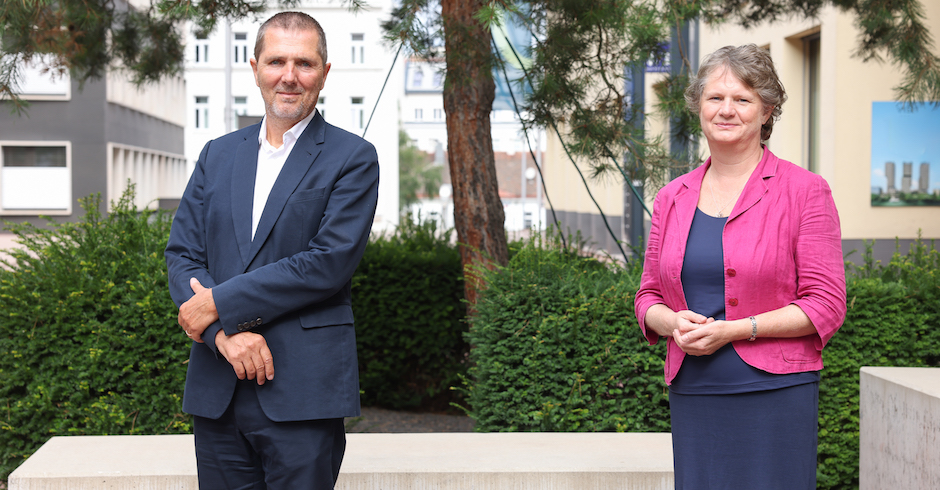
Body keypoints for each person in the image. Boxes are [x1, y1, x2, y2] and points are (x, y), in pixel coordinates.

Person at [165, 11, 379, 489]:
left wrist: (219, 305)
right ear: (255, 66)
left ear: (324, 73)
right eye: (276, 61)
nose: (289, 75)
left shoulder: (353, 158)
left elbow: (327, 263)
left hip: (302, 391)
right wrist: (223, 335)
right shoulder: (217, 154)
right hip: (217, 387)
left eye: (303, 63)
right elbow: (183, 254)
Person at [634, 44, 846, 489]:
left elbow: (826, 304)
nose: (726, 110)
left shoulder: (805, 191)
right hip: (695, 389)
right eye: (715, 98)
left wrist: (735, 329)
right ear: (698, 106)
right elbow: (647, 295)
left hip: (776, 393)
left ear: (766, 110)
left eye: (742, 99)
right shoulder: (672, 197)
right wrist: (673, 322)